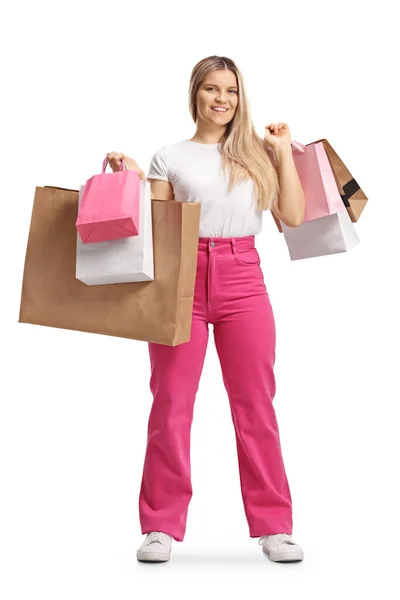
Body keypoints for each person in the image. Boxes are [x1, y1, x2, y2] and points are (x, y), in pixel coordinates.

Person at [106, 55, 305, 564]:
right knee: (170, 404)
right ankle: (160, 527)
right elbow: (155, 225)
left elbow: (295, 216)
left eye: (232, 92)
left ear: (241, 99)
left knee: (256, 406)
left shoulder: (256, 154)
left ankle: (274, 526)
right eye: (213, 89)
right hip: (182, 279)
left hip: (243, 277)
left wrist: (281, 152)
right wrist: (130, 179)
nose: (223, 100)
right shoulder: (169, 156)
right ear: (195, 93)